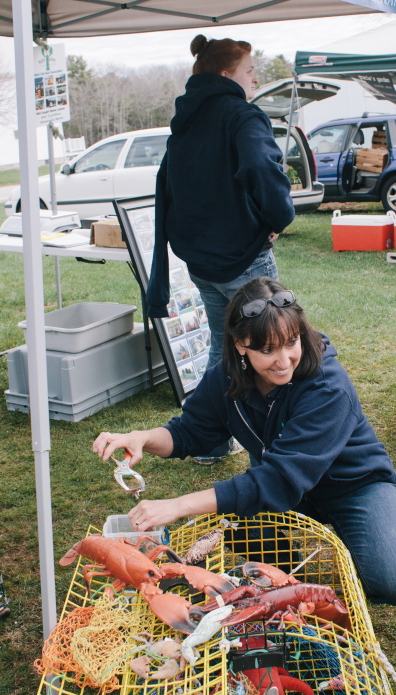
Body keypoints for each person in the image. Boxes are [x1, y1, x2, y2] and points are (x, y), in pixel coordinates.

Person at [93, 277, 396, 606]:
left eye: (291, 342)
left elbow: (277, 479)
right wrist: (143, 438)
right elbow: (189, 432)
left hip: (353, 485)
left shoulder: (328, 384)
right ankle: (286, 572)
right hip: (282, 487)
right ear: (240, 345)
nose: (283, 361)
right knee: (231, 515)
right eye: (267, 350)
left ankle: (360, 538)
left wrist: (177, 505)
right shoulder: (226, 375)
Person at [148, 34, 295, 464]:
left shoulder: (185, 123)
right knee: (271, 349)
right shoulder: (241, 115)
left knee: (225, 346)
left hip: (200, 260)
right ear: (228, 73)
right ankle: (269, 449)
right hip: (242, 258)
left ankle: (209, 443)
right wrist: (277, 217)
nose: (255, 79)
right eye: (251, 71)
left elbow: (171, 189)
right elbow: (259, 167)